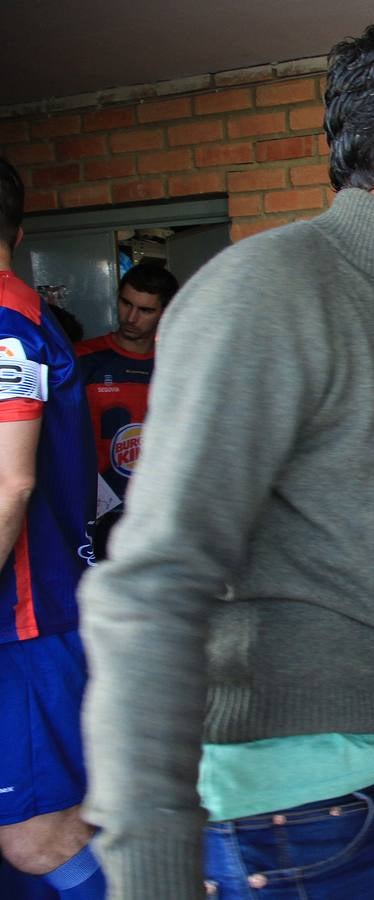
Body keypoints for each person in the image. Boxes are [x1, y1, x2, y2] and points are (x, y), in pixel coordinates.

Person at [76, 23, 374, 899]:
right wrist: (154, 872)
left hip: (366, 795)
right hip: (273, 834)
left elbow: (325, 532)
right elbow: (152, 584)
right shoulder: (271, 289)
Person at [0, 157, 103, 898]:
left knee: (39, 835)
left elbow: (10, 483)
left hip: (24, 622)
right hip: (31, 622)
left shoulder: (8, 322)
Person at [75, 262, 178, 557]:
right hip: (93, 513)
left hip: (158, 516)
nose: (131, 317)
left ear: (164, 313)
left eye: (145, 310)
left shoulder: (178, 366)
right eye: (126, 304)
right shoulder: (81, 360)